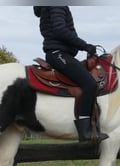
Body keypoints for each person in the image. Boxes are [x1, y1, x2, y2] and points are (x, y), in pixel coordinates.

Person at [33, 6, 108, 143]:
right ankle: (85, 131)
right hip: (58, 54)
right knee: (90, 84)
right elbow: (60, 30)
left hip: (60, 53)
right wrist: (85, 46)